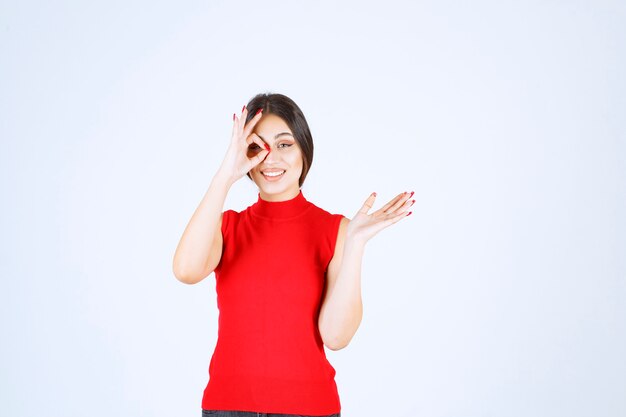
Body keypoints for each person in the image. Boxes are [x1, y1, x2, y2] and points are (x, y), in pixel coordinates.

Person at [172, 93, 414, 417]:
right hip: (227, 408)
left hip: (310, 409)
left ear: (304, 150)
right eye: (258, 147)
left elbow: (336, 336)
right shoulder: (227, 226)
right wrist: (226, 173)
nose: (271, 159)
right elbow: (185, 270)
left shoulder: (336, 230)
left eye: (284, 144)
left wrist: (355, 244)